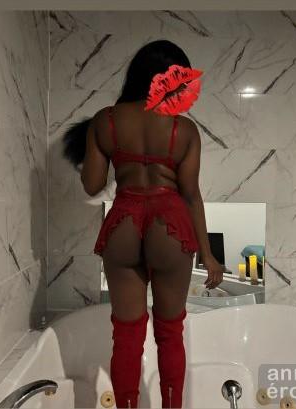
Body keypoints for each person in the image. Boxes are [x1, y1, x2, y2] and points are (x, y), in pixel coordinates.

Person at [80, 39, 224, 408]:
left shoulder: (104, 121)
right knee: (170, 333)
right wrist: (208, 254)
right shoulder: (184, 130)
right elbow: (190, 195)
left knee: (126, 337)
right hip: (169, 225)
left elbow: (92, 185)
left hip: (123, 223)